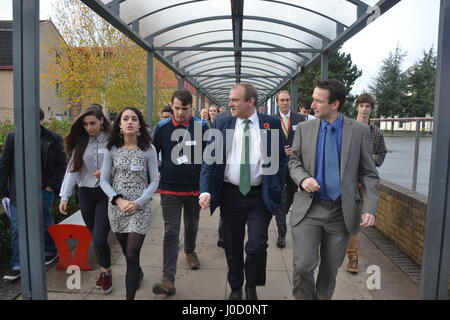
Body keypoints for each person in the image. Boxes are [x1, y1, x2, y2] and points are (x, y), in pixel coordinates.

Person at [288, 79, 380, 300]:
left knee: (329, 272)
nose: (312, 105)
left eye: (318, 101)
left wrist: (370, 207)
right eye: (313, 99)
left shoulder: (359, 131)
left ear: (335, 104)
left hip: (340, 212)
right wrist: (303, 179)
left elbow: (369, 173)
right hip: (309, 209)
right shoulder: (304, 128)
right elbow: (294, 161)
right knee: (303, 266)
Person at [199, 83, 287, 300]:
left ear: (251, 102)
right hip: (231, 195)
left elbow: (282, 160)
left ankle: (252, 287)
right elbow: (209, 162)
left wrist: (277, 182)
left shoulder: (272, 124)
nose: (230, 103)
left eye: (235, 100)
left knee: (257, 245)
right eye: (230, 99)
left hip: (260, 196)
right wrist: (205, 190)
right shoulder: (222, 123)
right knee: (232, 245)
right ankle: (236, 288)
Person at [151, 89, 209, 296]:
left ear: (191, 108)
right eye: (176, 108)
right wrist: (153, 176)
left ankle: (190, 250)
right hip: (169, 188)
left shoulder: (202, 126)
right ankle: (168, 279)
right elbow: (152, 153)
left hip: (194, 188)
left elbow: (209, 158)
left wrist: (207, 187)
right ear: (171, 106)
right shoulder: (162, 127)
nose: (180, 112)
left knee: (192, 224)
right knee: (171, 231)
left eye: (184, 109)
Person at [100, 106, 159, 300]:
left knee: (132, 254)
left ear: (139, 124)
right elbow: (104, 181)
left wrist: (140, 202)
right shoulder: (112, 149)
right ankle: (138, 273)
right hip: (117, 208)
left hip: (139, 207)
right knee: (127, 252)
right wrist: (118, 200)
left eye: (134, 118)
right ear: (120, 124)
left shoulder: (148, 148)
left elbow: (154, 180)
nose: (130, 122)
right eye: (125, 118)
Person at [0, 108, 66, 281]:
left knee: (44, 222)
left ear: (41, 121)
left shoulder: (53, 139)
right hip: (18, 192)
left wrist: (51, 186)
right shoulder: (13, 138)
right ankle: (18, 264)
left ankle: (50, 251)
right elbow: (4, 165)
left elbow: (61, 165)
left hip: (44, 189)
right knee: (17, 227)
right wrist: (3, 192)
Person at [58, 104, 113, 294]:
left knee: (98, 238)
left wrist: (107, 172)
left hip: (105, 194)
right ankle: (107, 269)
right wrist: (64, 196)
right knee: (95, 237)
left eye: (93, 123)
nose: (89, 127)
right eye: (85, 124)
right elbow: (72, 171)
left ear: (101, 121)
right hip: (86, 195)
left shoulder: (113, 141)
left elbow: (121, 165)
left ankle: (105, 272)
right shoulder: (81, 143)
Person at [346, 93, 387, 274]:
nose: (364, 109)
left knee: (356, 218)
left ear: (371, 109)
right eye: (361, 105)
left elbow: (381, 153)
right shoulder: (347, 127)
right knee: (339, 217)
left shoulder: (376, 132)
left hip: (365, 182)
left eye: (368, 106)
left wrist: (369, 161)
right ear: (357, 107)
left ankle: (353, 256)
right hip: (346, 180)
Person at [275, 91, 305, 248]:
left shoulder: (300, 119)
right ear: (277, 102)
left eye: (287, 100)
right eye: (282, 100)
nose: (285, 102)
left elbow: (304, 140)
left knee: (292, 195)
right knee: (281, 199)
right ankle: (281, 234)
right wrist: (281, 149)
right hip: (279, 165)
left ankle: (281, 213)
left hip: (294, 165)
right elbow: (266, 141)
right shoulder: (272, 120)